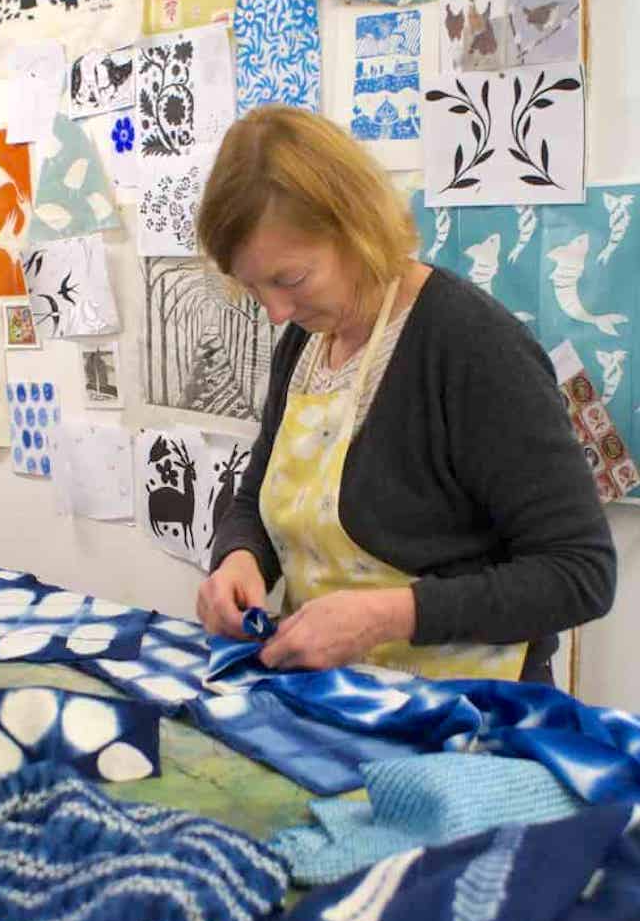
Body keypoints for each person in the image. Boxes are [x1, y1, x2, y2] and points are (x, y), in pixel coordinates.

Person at [195, 107, 616, 683]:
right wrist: (239, 556)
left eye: (289, 280)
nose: (275, 311)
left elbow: (579, 573)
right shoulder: (305, 342)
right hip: (338, 696)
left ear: (355, 227)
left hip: (465, 715)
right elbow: (254, 502)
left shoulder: (470, 344)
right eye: (251, 286)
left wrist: (389, 616)